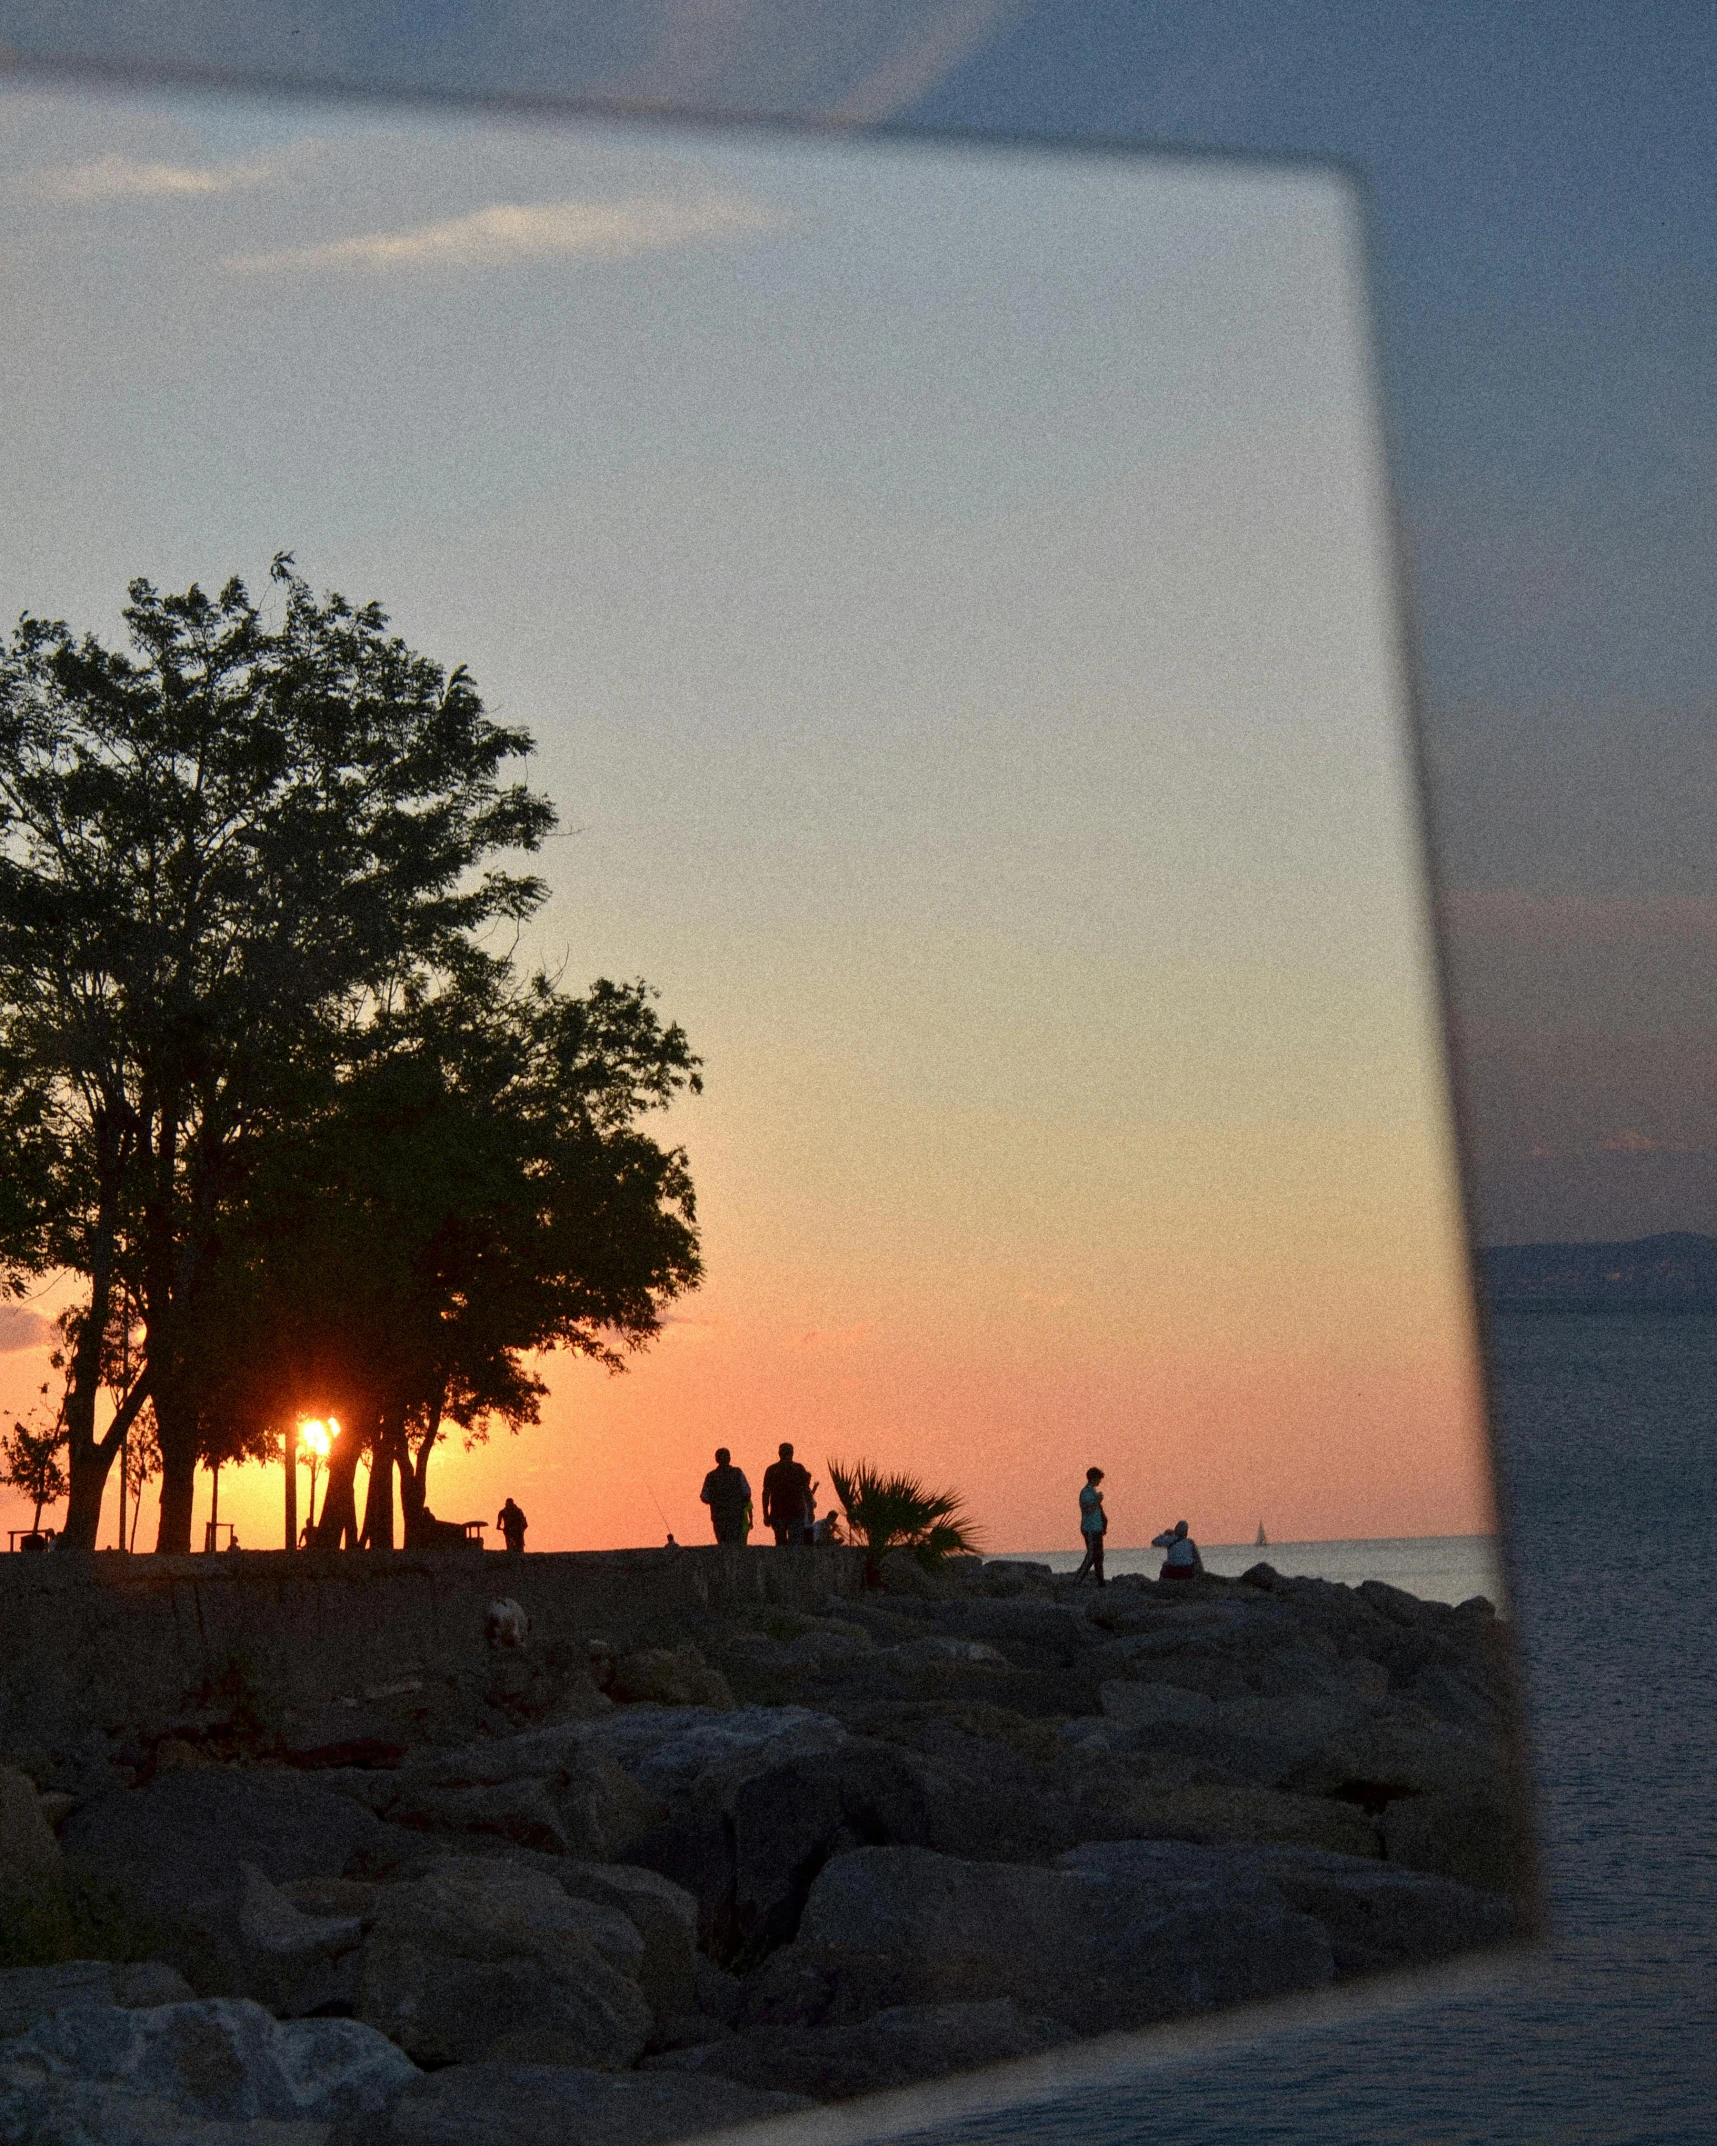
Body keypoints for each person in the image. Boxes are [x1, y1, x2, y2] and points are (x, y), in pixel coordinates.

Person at [761, 1442, 814, 1547]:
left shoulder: (772, 1470)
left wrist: (766, 1514)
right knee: (795, 1545)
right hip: (796, 1512)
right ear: (792, 1453)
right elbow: (806, 1492)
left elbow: (766, 1493)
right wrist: (810, 1511)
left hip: (778, 1513)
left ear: (779, 1453)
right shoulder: (798, 1469)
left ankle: (782, 1563)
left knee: (780, 1544)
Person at [700, 1447, 752, 1545]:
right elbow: (747, 1492)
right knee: (735, 1544)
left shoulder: (711, 1476)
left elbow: (704, 1496)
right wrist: (741, 1504)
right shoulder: (737, 1473)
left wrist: (715, 1502)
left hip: (719, 1516)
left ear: (716, 1459)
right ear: (729, 1458)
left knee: (722, 1545)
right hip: (736, 1515)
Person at [1074, 1466, 1107, 1585]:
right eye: (1098, 1478)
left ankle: (1101, 1581)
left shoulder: (1092, 1492)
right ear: (1093, 1478)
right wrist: (1098, 1500)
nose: (1099, 1481)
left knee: (1099, 1556)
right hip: (1090, 1528)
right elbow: (1088, 1509)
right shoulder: (1086, 1492)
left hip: (1097, 1528)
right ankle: (1077, 1580)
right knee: (1092, 1555)